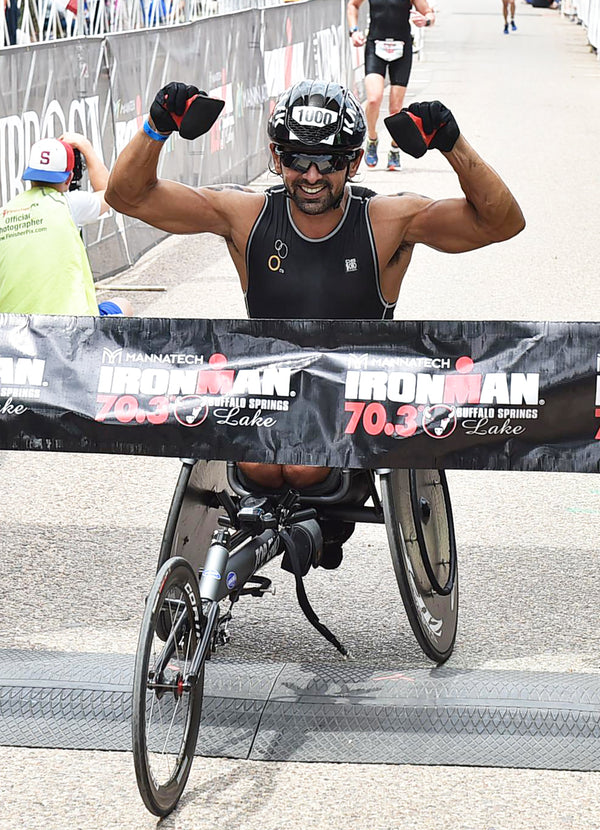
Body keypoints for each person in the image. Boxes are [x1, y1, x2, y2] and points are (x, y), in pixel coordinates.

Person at [105, 78, 524, 560]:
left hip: (350, 408)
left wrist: (452, 143)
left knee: (302, 469)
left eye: (327, 162)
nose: (310, 175)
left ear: (353, 161)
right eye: (295, 159)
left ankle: (314, 525)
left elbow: (501, 222)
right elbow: (128, 197)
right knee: (260, 468)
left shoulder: (388, 220)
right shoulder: (247, 214)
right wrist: (157, 126)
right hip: (269, 398)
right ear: (275, 155)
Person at [0, 133, 132, 316]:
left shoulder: (5, 212)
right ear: (69, 178)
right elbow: (110, 194)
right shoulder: (69, 204)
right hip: (70, 328)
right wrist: (86, 147)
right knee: (124, 305)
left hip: (12, 327)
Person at [347, 0, 435, 170]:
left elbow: (429, 13)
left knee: (395, 108)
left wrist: (426, 21)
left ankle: (395, 148)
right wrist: (354, 31)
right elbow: (353, 5)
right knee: (374, 99)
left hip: (402, 48)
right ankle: (372, 138)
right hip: (375, 46)